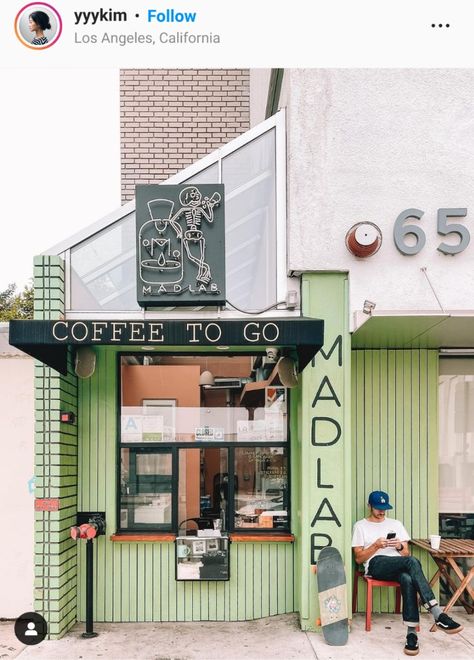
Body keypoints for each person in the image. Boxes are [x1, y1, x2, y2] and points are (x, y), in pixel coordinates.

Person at [352, 490, 463, 656]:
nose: (381, 511)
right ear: (369, 506)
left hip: (399, 565)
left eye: (384, 508)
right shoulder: (360, 526)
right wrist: (376, 546)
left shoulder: (396, 524)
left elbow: (405, 553)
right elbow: (359, 559)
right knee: (412, 563)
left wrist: (398, 546)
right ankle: (437, 613)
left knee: (407, 577)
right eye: (377, 508)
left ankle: (412, 634)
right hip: (376, 565)